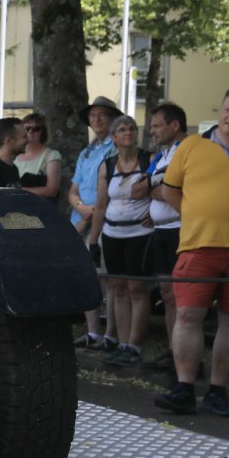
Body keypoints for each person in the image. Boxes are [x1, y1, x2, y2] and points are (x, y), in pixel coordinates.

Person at [152, 86, 229, 417]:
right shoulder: (191, 146)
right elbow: (170, 190)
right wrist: (196, 216)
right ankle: (184, 388)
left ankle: (218, 392)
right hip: (199, 247)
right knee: (188, 316)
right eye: (227, 109)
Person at [87, 115, 152, 367]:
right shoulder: (108, 165)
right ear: (114, 137)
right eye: (122, 129)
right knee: (119, 288)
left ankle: (135, 345)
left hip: (140, 233)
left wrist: (155, 214)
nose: (128, 132)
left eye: (132, 128)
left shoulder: (148, 160)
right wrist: (94, 241)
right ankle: (123, 344)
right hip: (112, 234)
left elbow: (161, 189)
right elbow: (101, 205)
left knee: (137, 289)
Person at [70, 95, 119, 351]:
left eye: (102, 115)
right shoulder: (86, 152)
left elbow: (114, 189)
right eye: (92, 115)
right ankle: (92, 332)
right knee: (87, 277)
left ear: (112, 119)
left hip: (105, 220)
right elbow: (73, 190)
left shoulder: (117, 148)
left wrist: (91, 214)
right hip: (81, 218)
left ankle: (110, 334)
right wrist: (81, 208)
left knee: (107, 279)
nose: (96, 119)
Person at [143, 103, 188, 370]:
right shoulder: (162, 156)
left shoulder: (187, 150)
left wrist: (160, 189)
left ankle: (184, 355)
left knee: (181, 296)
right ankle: (173, 351)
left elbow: (181, 190)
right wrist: (159, 188)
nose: (152, 131)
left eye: (156, 125)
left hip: (179, 229)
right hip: (160, 230)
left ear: (174, 125)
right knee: (166, 293)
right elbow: (139, 187)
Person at [14, 112, 62, 199]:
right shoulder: (14, 155)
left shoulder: (51, 155)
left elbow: (52, 191)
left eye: (36, 129)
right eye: (27, 128)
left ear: (43, 132)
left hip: (38, 205)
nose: (31, 131)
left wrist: (18, 190)